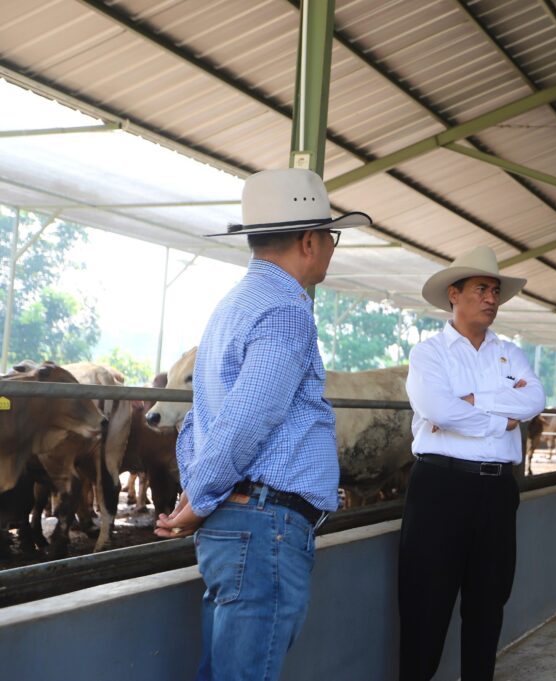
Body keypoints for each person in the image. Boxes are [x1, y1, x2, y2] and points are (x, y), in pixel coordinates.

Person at [154, 168, 371, 681]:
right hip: (263, 527)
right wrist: (200, 498)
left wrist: (197, 494)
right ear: (311, 241)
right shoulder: (287, 310)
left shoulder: (230, 307)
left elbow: (200, 421)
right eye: (331, 236)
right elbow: (248, 419)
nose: (331, 248)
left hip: (239, 525)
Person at [400, 245, 546, 681]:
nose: (491, 299)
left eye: (495, 292)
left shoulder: (510, 353)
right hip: (440, 489)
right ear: (453, 294)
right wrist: (503, 418)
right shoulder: (430, 354)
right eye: (482, 289)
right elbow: (438, 410)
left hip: (497, 491)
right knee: (425, 605)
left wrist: (476, 403)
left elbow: (535, 399)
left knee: (488, 605)